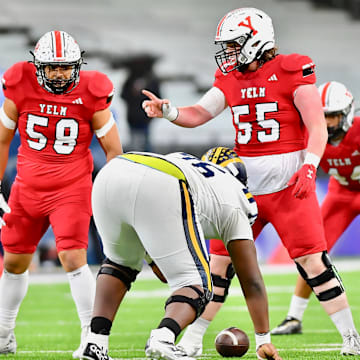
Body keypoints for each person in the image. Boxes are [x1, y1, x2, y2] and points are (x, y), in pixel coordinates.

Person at [142, 7, 360, 356]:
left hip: (290, 187)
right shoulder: (229, 77)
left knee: (313, 263)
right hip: (242, 191)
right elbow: (199, 113)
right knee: (219, 268)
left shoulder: (292, 69)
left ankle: (351, 338)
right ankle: (193, 342)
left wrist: (309, 167)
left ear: (255, 40)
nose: (227, 52)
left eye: (233, 44)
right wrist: (169, 112)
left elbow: (317, 126)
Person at [80, 147, 281, 360]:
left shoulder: (186, 163)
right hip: (163, 182)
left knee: (120, 264)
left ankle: (95, 343)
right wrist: (263, 340)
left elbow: (164, 272)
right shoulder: (239, 196)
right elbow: (251, 281)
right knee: (200, 285)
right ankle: (163, 338)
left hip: (114, 171)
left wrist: (151, 256)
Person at [0, 30, 123, 357]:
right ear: (38, 66)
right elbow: (1, 140)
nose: (58, 73)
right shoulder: (19, 85)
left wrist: (112, 193)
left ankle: (90, 337)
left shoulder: (91, 92)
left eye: (65, 67)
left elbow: (113, 150)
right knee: (13, 261)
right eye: (51, 67)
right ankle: (3, 334)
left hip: (71, 187)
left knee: (73, 257)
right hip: (26, 186)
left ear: (77, 66)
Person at [271, 81, 360, 336]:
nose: (328, 123)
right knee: (314, 254)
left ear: (347, 113)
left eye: (333, 115)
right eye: (323, 116)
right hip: (340, 195)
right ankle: (293, 317)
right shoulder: (310, 134)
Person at [120, 54, 161, 152]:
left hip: (143, 118)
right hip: (135, 118)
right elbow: (123, 95)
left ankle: (143, 162)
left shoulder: (150, 80)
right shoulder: (131, 80)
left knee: (142, 143)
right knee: (138, 143)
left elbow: (157, 98)